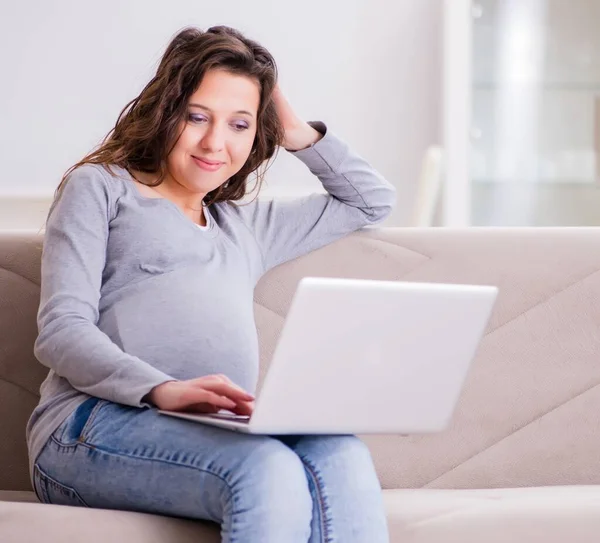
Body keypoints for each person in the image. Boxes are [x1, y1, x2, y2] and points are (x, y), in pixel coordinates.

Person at [26, 25, 396, 543]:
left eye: (240, 124)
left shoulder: (242, 227)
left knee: (342, 451)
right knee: (266, 468)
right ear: (165, 110)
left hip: (217, 432)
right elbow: (61, 331)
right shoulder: (102, 189)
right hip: (91, 427)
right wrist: (162, 390)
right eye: (197, 116)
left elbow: (370, 201)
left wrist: (289, 127)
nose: (215, 143)